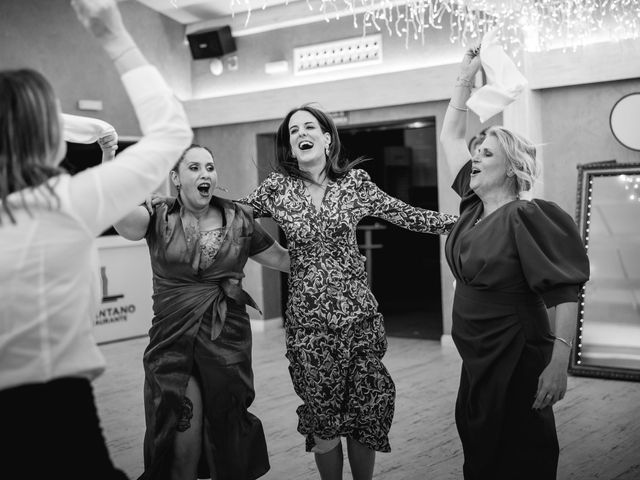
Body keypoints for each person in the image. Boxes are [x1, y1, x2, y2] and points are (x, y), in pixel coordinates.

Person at [0, 0, 193, 478]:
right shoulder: (65, 203)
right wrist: (113, 36)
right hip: (54, 413)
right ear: (44, 130)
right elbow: (171, 133)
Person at [237, 104, 458, 480]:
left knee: (367, 411)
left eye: (309, 127)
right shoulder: (277, 188)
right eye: (293, 131)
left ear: (326, 138)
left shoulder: (355, 183)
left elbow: (405, 214)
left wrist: (463, 222)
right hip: (309, 326)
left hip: (359, 320)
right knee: (323, 423)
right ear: (290, 146)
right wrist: (180, 208)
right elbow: (233, 217)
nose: (301, 133)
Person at [439, 46, 590, 480]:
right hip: (478, 356)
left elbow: (564, 291)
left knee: (521, 451)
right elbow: (451, 137)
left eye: (487, 154)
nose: (475, 159)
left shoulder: (526, 214)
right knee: (480, 446)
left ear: (510, 168)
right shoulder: (471, 207)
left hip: (518, 352)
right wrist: (464, 79)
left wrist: (559, 365)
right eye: (477, 152)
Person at [111, 143, 289, 480]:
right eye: (194, 168)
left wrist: (330, 253)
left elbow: (281, 258)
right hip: (173, 344)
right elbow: (124, 224)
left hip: (227, 344)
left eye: (209, 167)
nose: (204, 174)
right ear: (175, 178)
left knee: (227, 440)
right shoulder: (158, 217)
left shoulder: (240, 218)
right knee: (181, 444)